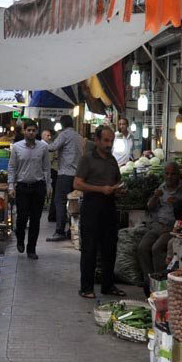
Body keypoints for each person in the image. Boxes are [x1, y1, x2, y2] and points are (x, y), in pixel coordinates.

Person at [75, 125, 125, 299]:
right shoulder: (87, 160)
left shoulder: (112, 160)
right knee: (90, 248)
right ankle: (86, 287)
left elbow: (118, 181)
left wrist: (118, 189)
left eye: (111, 140)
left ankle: (108, 285)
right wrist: (100, 189)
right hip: (92, 206)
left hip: (109, 206)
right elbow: (77, 184)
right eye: (105, 140)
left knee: (109, 248)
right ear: (96, 140)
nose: (109, 144)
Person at [137, 162, 182, 294]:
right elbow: (149, 207)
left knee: (157, 248)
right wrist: (155, 196)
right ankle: (149, 282)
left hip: (173, 226)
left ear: (178, 175)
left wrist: (177, 203)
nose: (169, 176)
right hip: (157, 225)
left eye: (173, 174)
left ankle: (160, 283)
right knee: (142, 247)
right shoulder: (161, 188)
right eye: (167, 173)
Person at [7, 120, 50, 259]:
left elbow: (46, 168)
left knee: (36, 219)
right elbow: (12, 167)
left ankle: (31, 249)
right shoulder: (17, 147)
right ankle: (20, 239)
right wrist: (11, 186)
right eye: (28, 130)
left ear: (36, 132)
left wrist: (48, 185)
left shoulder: (43, 147)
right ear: (24, 131)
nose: (31, 133)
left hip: (38, 187)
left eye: (33, 130)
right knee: (22, 217)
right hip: (22, 187)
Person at [46, 115, 83, 241]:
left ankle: (59, 231)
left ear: (62, 125)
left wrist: (41, 143)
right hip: (77, 175)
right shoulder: (78, 136)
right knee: (74, 203)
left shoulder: (64, 134)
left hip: (65, 174)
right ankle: (72, 230)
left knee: (60, 201)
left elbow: (52, 147)